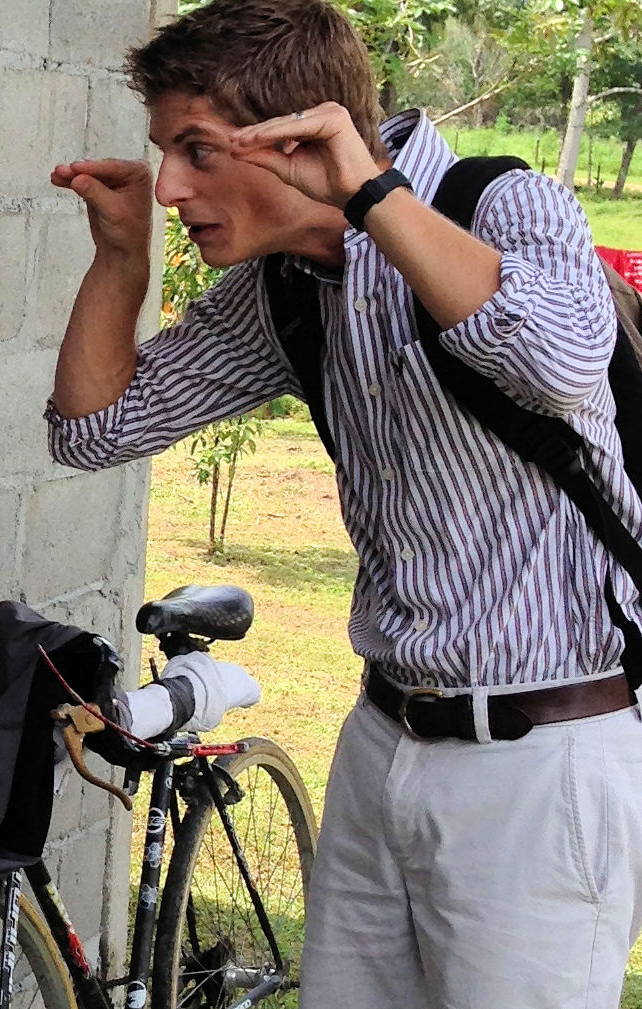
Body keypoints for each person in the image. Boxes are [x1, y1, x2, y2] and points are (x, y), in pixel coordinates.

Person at [45, 0, 642, 1005]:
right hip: (380, 746)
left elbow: (561, 360)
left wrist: (370, 192)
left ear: (296, 136)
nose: (173, 187)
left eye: (196, 150)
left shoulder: (502, 201)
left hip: (540, 763)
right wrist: (119, 262)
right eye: (167, 154)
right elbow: (93, 431)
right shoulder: (287, 289)